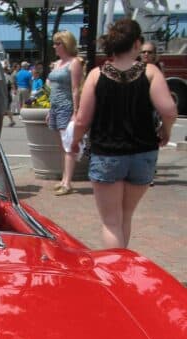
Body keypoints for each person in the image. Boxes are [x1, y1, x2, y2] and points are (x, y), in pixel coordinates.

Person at [72, 18, 177, 248]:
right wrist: (165, 131)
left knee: (111, 222)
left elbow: (82, 120)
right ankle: (122, 266)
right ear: (137, 44)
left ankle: (115, 274)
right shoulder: (150, 72)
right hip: (143, 152)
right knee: (125, 216)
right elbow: (169, 110)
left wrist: (75, 141)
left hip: (107, 153)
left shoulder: (96, 75)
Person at [47, 31, 83, 196]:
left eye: (58, 43)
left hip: (66, 107)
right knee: (62, 146)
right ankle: (64, 179)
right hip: (55, 107)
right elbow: (52, 89)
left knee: (68, 145)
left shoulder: (74, 63)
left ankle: (67, 183)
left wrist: (76, 112)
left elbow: (76, 89)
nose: (55, 46)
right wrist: (49, 109)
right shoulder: (57, 64)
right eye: (55, 43)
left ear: (66, 44)